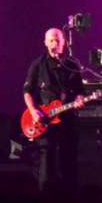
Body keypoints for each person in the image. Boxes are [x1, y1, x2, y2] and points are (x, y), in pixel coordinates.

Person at [23, 27, 85, 190]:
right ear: (45, 43)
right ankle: (45, 196)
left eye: (57, 40)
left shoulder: (72, 65)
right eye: (51, 40)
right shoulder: (38, 65)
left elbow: (80, 90)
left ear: (64, 42)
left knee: (69, 160)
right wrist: (33, 111)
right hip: (45, 121)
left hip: (68, 119)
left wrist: (79, 99)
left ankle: (71, 196)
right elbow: (27, 92)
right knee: (47, 160)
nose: (54, 44)